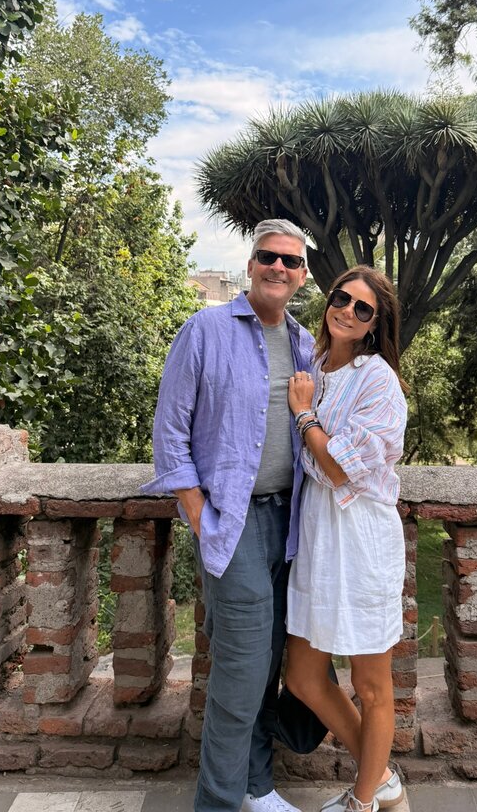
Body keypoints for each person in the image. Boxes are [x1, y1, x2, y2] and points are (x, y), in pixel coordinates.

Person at [142, 219, 313, 812]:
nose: (278, 268)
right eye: (268, 256)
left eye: (290, 261)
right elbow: (170, 432)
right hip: (231, 521)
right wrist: (198, 514)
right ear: (250, 265)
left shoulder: (304, 343)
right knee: (241, 667)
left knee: (267, 663)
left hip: (289, 523)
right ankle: (216, 801)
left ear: (303, 275)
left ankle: (256, 787)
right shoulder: (206, 329)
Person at [285, 267, 408, 812]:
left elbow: (339, 469)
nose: (348, 312)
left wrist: (304, 415)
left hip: (360, 540)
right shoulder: (313, 365)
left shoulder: (378, 380)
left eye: (363, 309)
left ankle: (363, 802)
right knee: (303, 675)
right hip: (317, 536)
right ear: (329, 299)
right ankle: (382, 780)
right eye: (342, 298)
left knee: (371, 683)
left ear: (375, 324)